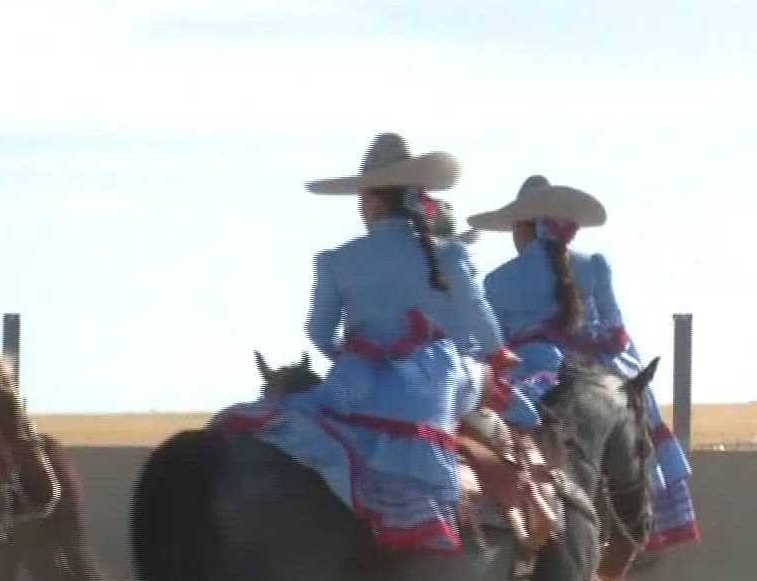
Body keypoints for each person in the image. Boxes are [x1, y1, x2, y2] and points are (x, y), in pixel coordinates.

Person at [219, 132, 513, 553]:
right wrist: (498, 356)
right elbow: (479, 320)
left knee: (314, 412)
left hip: (357, 379)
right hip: (435, 381)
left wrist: (353, 355)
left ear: (372, 202)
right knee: (494, 400)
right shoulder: (450, 255)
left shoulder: (337, 259)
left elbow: (317, 332)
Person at [467, 175, 698, 552]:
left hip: (531, 376)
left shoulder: (498, 280)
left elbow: (492, 349)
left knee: (489, 429)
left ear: (526, 227)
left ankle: (501, 513)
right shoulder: (596, 265)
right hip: (597, 368)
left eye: (514, 227)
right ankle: (652, 504)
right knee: (633, 412)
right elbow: (617, 332)